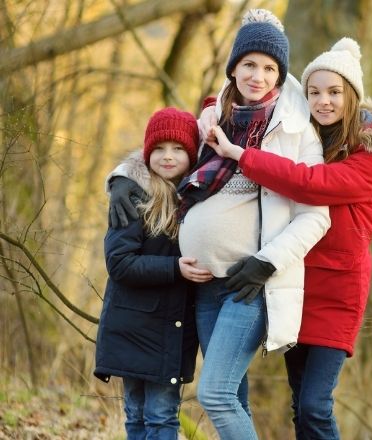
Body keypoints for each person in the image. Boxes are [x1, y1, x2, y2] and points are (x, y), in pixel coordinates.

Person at [105, 9, 330, 439]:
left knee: (216, 396)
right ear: (234, 67)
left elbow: (316, 214)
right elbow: (162, 152)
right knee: (235, 397)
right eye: (249, 64)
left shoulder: (295, 130)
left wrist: (267, 262)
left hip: (250, 283)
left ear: (280, 76)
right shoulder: (216, 117)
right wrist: (119, 178)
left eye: (269, 68)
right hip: (205, 286)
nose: (258, 76)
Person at [204, 37, 372, 439]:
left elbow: (311, 184)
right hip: (296, 283)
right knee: (300, 405)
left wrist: (241, 156)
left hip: (338, 289)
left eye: (335, 92)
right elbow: (246, 101)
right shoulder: (311, 138)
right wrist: (207, 112)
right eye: (314, 92)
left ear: (353, 96)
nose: (324, 101)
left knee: (317, 405)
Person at [94, 107, 214, 440]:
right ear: (147, 153)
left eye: (178, 149)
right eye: (159, 148)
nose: (168, 156)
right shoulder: (134, 195)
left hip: (172, 331)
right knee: (135, 414)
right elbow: (119, 262)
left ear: (192, 154)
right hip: (131, 326)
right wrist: (174, 268)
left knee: (162, 416)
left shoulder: (199, 198)